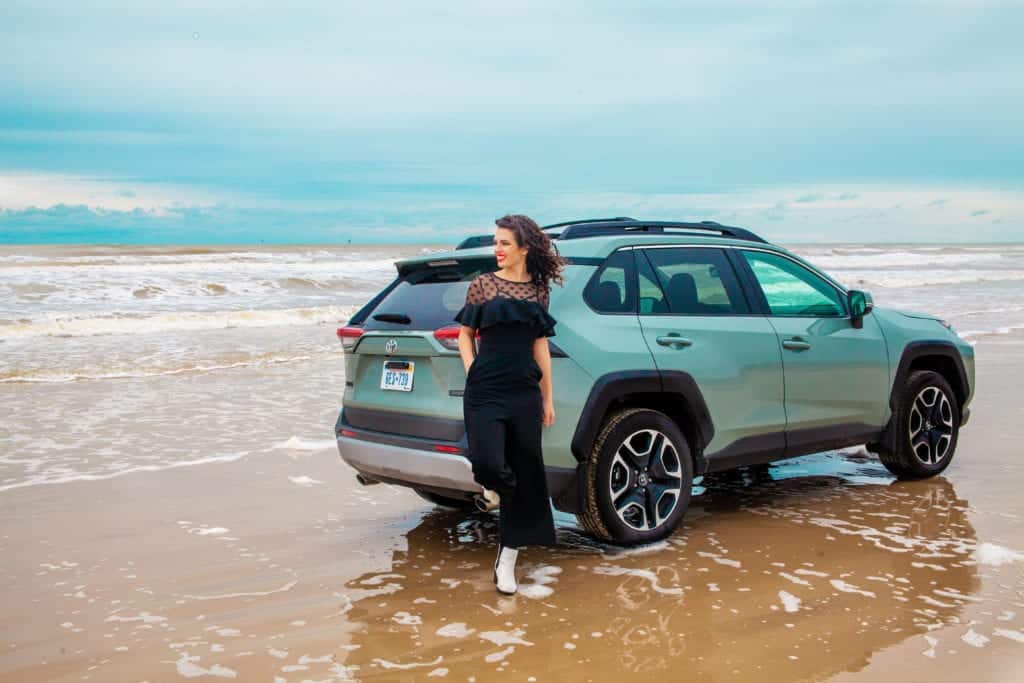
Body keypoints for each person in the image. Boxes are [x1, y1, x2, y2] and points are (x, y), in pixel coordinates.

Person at [454, 214, 567, 595]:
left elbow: (541, 346)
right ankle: (493, 488)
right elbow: (464, 335)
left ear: (523, 248)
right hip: (485, 388)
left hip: (524, 391)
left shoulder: (538, 291)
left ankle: (508, 559)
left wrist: (547, 398)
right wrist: (473, 372)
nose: (497, 249)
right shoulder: (482, 286)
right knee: (488, 462)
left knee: (526, 471)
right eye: (495, 242)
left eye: (504, 243)